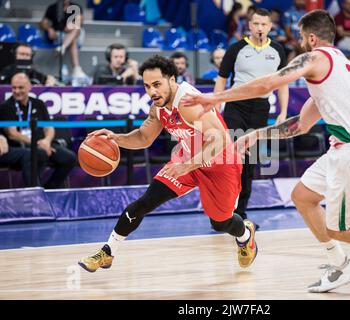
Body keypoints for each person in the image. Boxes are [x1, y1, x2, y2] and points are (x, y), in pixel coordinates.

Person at [181, 9, 350, 293]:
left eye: (301, 37)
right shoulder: (339, 67)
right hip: (346, 149)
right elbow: (301, 125)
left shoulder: (316, 58)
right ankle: (341, 265)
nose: (299, 43)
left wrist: (215, 97)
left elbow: (269, 83)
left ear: (312, 37)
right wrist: (257, 134)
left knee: (341, 229)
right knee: (303, 197)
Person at [78, 55, 257, 272]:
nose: (152, 92)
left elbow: (219, 139)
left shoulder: (188, 103)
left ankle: (245, 235)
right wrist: (115, 138)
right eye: (146, 86)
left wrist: (188, 165)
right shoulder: (158, 106)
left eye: (156, 84)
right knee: (145, 202)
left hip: (220, 164)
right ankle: (107, 253)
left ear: (172, 80)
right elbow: (144, 137)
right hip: (187, 159)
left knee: (220, 222)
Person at [214, 8, 289, 226]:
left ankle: (240, 214)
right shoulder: (236, 49)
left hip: (261, 108)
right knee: (229, 158)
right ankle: (221, 213)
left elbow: (283, 83)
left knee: (249, 160)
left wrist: (283, 112)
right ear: (249, 25)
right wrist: (218, 106)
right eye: (256, 24)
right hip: (235, 106)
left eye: (264, 24)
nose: (259, 28)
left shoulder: (277, 50)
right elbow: (221, 79)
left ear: (270, 26)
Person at [0, 73, 77, 189]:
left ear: (29, 87)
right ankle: (35, 194)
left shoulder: (39, 104)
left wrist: (46, 141)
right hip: (21, 146)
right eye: (14, 88)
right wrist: (36, 144)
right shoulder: (6, 106)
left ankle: (50, 189)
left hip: (43, 144)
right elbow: (12, 134)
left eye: (20, 87)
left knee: (69, 157)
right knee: (38, 153)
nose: (17, 91)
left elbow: (49, 128)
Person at [40, 0, 87, 78]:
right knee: (73, 40)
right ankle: (76, 68)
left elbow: (81, 21)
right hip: (59, 36)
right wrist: (49, 29)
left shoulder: (75, 7)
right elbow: (43, 22)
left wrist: (73, 24)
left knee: (75, 30)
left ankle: (62, 47)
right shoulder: (52, 8)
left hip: (76, 34)